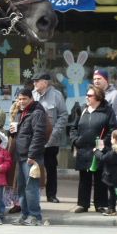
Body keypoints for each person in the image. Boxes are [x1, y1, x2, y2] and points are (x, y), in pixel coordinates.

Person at [70, 84, 117, 214]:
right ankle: (82, 204)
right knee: (84, 178)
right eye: (87, 95)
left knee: (99, 178)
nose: (87, 97)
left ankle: (101, 204)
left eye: (90, 95)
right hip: (83, 150)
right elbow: (73, 128)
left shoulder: (107, 111)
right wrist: (75, 141)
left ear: (98, 97)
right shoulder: (82, 109)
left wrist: (104, 142)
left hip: (99, 149)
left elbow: (113, 129)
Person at [9, 88, 47, 226]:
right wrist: (13, 132)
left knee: (31, 188)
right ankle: (25, 215)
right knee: (22, 188)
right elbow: (23, 133)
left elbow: (38, 135)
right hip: (21, 155)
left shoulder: (37, 113)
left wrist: (32, 155)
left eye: (24, 99)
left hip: (31, 157)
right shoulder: (21, 112)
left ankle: (35, 216)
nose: (21, 102)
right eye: (19, 99)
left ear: (31, 98)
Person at [32, 72, 68, 203]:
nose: (34, 83)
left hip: (51, 139)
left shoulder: (57, 95)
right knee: (34, 166)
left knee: (51, 167)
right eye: (33, 81)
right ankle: (34, 194)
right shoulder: (32, 95)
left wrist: (55, 133)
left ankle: (51, 195)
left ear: (45, 82)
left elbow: (63, 116)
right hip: (35, 138)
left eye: (37, 80)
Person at [94, 129, 117, 217]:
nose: (110, 139)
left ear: (114, 139)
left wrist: (96, 151)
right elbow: (109, 152)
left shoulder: (115, 152)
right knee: (112, 193)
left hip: (114, 176)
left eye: (111, 137)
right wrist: (103, 148)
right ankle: (111, 208)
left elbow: (103, 158)